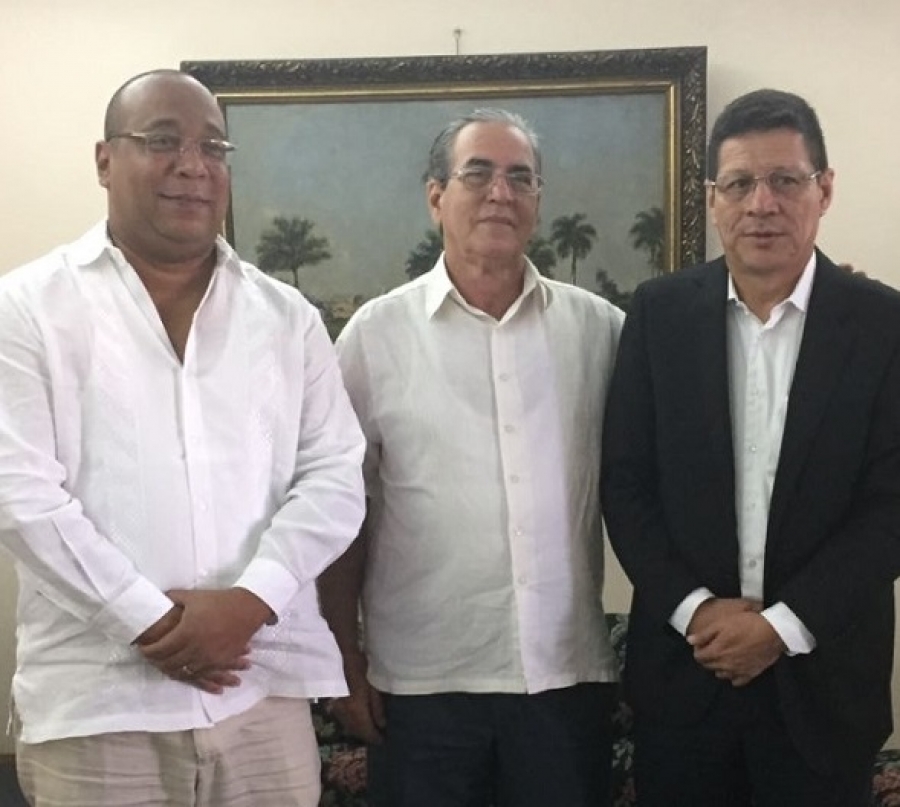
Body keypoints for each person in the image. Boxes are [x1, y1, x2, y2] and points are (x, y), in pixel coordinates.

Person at [0, 69, 366, 807]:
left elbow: (334, 476)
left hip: (261, 690)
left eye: (213, 147)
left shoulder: (286, 318)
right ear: (104, 160)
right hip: (100, 702)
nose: (193, 165)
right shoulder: (27, 307)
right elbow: (20, 493)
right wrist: (153, 622)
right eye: (162, 140)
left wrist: (251, 602)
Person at [601, 88, 900, 807]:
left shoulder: (883, 325)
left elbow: (891, 507)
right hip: (686, 683)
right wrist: (697, 611)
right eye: (739, 184)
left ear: (825, 190)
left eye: (785, 180)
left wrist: (782, 628)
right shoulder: (658, 316)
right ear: (713, 199)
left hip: (824, 694)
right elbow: (626, 484)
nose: (761, 204)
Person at [318, 108, 624, 807]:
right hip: (421, 689)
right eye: (478, 173)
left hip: (564, 679)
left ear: (538, 200)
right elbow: (339, 509)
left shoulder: (600, 331)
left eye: (521, 177)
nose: (500, 193)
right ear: (436, 197)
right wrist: (343, 654)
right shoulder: (374, 336)